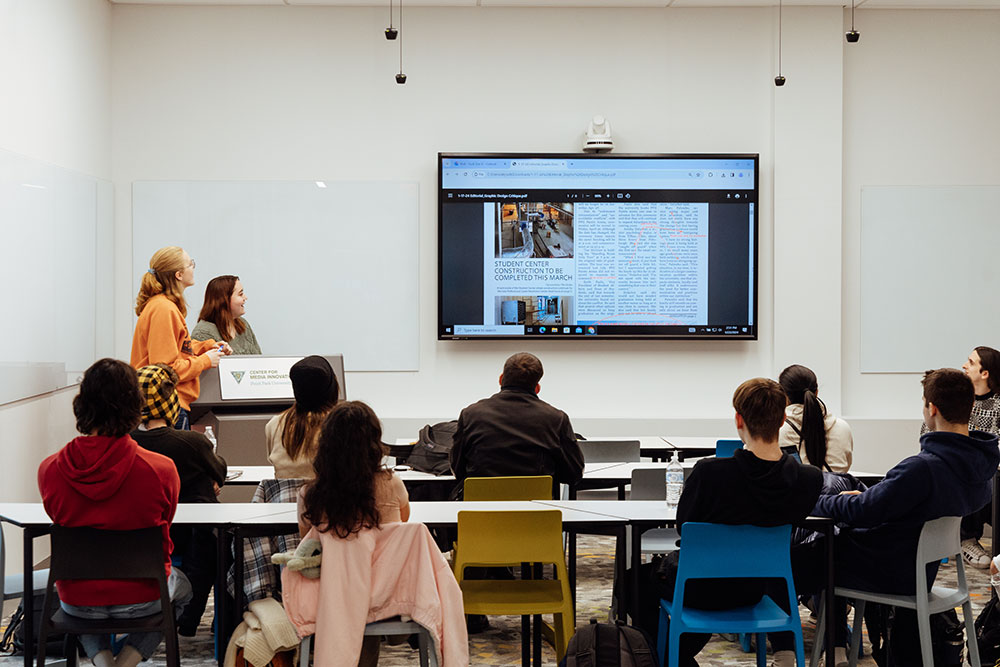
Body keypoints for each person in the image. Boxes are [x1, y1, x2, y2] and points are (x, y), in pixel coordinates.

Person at [805, 368, 999, 662]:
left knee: (811, 550)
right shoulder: (978, 466)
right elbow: (896, 503)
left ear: (931, 408)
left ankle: (821, 647)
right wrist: (875, 498)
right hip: (919, 566)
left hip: (890, 569)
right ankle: (838, 647)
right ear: (971, 406)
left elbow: (862, 512)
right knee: (836, 523)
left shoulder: (924, 468)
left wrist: (814, 503)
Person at [647, 378, 823, 667]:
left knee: (634, 583)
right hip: (759, 589)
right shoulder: (808, 479)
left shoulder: (709, 473)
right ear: (781, 420)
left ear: (738, 419)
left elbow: (683, 528)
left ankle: (669, 658)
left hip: (700, 586)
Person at [38, 359, 180, 667]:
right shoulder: (161, 470)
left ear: (82, 403)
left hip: (77, 601)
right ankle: (124, 663)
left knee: (88, 593)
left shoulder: (49, 470)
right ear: (135, 405)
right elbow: (166, 522)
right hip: (144, 597)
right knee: (183, 589)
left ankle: (104, 663)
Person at [298, 400, 410, 666]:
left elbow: (308, 545)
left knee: (347, 583)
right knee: (369, 581)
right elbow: (404, 524)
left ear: (326, 444)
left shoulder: (310, 494)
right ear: (374, 441)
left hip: (333, 599)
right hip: (388, 596)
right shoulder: (392, 484)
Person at [130, 364, 227, 636]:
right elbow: (219, 470)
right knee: (221, 542)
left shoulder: (125, 444)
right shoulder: (192, 444)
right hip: (191, 540)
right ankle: (196, 621)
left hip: (139, 540)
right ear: (171, 399)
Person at [449, 352, 584, 497]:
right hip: (538, 515)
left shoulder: (470, 414)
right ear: (537, 387)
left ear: (501, 379)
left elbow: (458, 469)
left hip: (480, 514)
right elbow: (573, 474)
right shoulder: (557, 418)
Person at [131, 246, 231, 429]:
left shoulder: (164, 306)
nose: (193, 267)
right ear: (178, 274)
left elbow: (178, 347)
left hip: (168, 407)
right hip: (167, 408)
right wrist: (205, 361)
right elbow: (166, 370)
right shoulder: (163, 309)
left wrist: (207, 346)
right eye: (190, 264)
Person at [922, 347, 1000, 568]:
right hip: (960, 468)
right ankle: (967, 539)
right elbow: (928, 435)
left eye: (971, 362)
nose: (965, 365)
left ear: (985, 373)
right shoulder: (956, 400)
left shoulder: (998, 404)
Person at [265, 355, 340, 479]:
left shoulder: (274, 424)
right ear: (332, 387)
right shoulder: (341, 425)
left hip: (284, 497)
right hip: (328, 497)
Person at [777, 364, 854, 472]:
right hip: (838, 488)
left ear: (783, 396)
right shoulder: (842, 427)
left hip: (800, 489)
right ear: (816, 392)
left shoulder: (778, 431)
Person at [191, 275, 261, 355]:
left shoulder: (243, 324)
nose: (245, 298)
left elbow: (259, 360)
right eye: (240, 294)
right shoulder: (203, 332)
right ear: (224, 300)